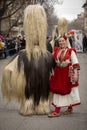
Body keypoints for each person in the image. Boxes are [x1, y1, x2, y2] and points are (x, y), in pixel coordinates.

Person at [1, 4, 54, 116]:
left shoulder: (25, 55)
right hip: (38, 72)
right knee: (40, 86)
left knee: (30, 86)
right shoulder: (46, 54)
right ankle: (41, 105)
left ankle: (30, 106)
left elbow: (8, 70)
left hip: (31, 73)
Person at [48, 35, 81, 117]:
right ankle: (66, 108)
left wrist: (76, 74)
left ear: (66, 42)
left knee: (69, 90)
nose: (61, 42)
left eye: (63, 41)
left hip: (67, 74)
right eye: (60, 41)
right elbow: (51, 60)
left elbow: (75, 63)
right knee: (58, 90)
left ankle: (58, 111)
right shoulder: (56, 51)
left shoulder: (71, 51)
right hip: (58, 74)